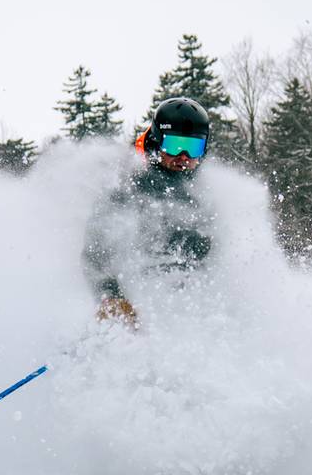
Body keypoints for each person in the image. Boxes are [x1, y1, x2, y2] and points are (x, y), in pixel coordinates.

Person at [84, 96, 215, 325]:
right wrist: (112, 296)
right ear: (156, 142)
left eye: (194, 147)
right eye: (174, 146)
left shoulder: (209, 193)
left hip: (195, 305)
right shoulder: (130, 187)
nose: (183, 156)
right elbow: (95, 251)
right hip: (140, 303)